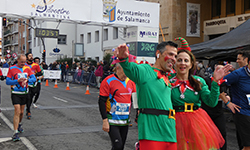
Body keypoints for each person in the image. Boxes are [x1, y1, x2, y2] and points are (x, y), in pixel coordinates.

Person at [169, 37, 232, 150]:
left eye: (186, 60)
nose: (182, 63)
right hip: (173, 123)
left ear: (191, 63)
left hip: (196, 123)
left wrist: (215, 82)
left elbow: (211, 102)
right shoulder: (167, 81)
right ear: (175, 63)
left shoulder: (199, 81)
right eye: (179, 60)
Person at [114, 41, 178, 150]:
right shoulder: (146, 70)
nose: (174, 58)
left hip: (170, 132)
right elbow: (131, 68)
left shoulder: (167, 78)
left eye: (175, 56)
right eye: (170, 54)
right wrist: (123, 59)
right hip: (151, 133)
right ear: (158, 54)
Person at [202, 64, 241, 150]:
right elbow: (208, 95)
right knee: (206, 135)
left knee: (222, 132)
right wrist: (221, 96)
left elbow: (230, 93)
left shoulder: (225, 82)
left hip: (218, 111)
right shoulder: (206, 80)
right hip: (206, 111)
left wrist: (228, 98)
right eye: (219, 70)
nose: (221, 72)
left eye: (224, 70)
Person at [98, 63, 136, 150]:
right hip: (112, 119)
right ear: (118, 68)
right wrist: (104, 120)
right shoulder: (108, 81)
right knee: (117, 146)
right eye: (125, 71)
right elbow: (101, 101)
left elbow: (135, 99)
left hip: (125, 120)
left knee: (120, 146)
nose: (127, 74)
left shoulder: (130, 81)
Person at [6, 54, 36, 141]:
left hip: (25, 93)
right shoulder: (12, 68)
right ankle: (15, 133)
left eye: (24, 61)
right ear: (18, 60)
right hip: (15, 93)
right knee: (17, 111)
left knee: (22, 112)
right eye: (21, 62)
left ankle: (19, 124)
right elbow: (8, 82)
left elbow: (34, 78)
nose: (23, 63)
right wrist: (17, 81)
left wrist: (28, 80)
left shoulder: (27, 68)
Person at [223, 52, 250, 150]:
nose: (237, 61)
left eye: (239, 59)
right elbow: (218, 84)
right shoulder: (238, 74)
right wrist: (227, 102)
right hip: (242, 112)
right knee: (247, 146)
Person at [25, 52, 42, 119]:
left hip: (33, 83)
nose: (31, 57)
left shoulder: (36, 65)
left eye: (32, 56)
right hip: (26, 83)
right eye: (29, 56)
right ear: (26, 57)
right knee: (28, 97)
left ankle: (28, 107)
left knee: (31, 96)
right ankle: (28, 110)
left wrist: (35, 75)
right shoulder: (24, 65)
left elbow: (40, 72)